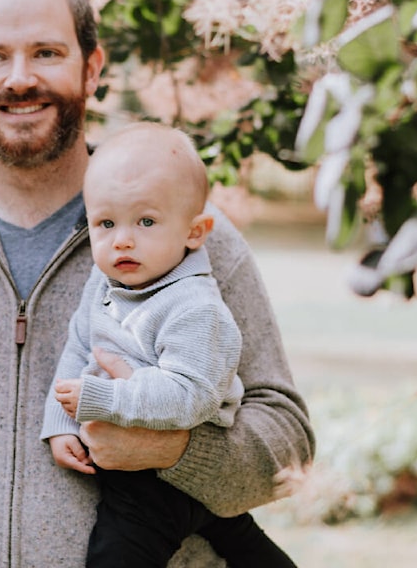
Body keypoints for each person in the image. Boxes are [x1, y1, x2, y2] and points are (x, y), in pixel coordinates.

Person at [0, 0, 313, 567]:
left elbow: (287, 449)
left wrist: (173, 450)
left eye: (47, 53)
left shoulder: (193, 243)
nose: (20, 78)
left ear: (92, 68)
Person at [41, 122, 296, 567]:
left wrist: (103, 398)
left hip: (168, 478)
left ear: (195, 232)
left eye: (146, 221)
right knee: (239, 539)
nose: (122, 238)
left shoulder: (196, 306)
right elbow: (80, 348)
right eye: (105, 223)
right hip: (148, 464)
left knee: (117, 554)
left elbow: (190, 397)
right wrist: (61, 420)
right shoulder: (106, 282)